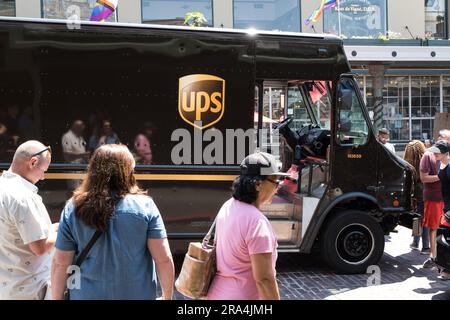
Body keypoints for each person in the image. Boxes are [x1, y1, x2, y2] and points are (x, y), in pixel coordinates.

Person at [51, 144, 174, 300]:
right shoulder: (145, 207)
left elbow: (61, 263)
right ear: (128, 171)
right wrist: (167, 296)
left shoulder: (73, 208)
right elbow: (163, 259)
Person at [207, 151, 290, 300]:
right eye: (275, 182)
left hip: (217, 294)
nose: (278, 187)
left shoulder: (228, 206)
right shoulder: (257, 224)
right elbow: (264, 280)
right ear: (258, 184)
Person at [0, 140, 58, 300]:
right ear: (33, 162)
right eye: (43, 170)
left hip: (6, 288)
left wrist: (51, 229)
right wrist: (67, 229)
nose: (43, 176)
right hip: (29, 289)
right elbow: (40, 247)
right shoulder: (24, 197)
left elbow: (16, 232)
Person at [420, 140, 449, 268]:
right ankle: (434, 256)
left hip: (445, 201)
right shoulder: (428, 156)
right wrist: (440, 176)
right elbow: (424, 178)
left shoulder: (446, 164)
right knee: (434, 227)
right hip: (435, 199)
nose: (435, 153)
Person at [404, 140, 430, 254]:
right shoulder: (426, 161)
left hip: (413, 196)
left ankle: (415, 242)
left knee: (416, 219)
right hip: (426, 194)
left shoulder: (407, 165)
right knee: (424, 221)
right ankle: (425, 247)